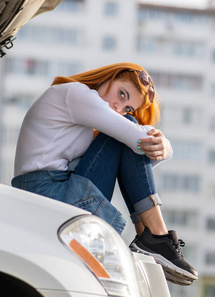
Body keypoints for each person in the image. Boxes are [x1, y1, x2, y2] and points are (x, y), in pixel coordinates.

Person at [11, 62, 197, 285]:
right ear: (110, 77)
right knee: (126, 130)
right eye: (121, 94)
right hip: (47, 191)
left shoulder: (86, 122)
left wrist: (162, 147)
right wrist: (166, 147)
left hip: (53, 191)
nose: (119, 107)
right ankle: (155, 236)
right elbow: (137, 140)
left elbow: (134, 159)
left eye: (128, 107)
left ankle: (149, 240)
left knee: (125, 136)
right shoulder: (75, 94)